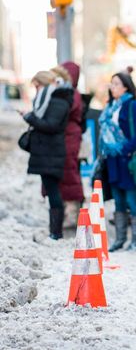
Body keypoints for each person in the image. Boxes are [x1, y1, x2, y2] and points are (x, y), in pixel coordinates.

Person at [100, 72, 136, 251]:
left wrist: (126, 150)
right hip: (112, 160)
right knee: (118, 200)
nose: (113, 88)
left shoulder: (133, 105)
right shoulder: (110, 106)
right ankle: (120, 239)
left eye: (116, 84)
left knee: (132, 198)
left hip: (127, 159)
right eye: (111, 84)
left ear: (126, 87)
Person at [21, 71, 72, 240]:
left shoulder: (58, 101)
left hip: (52, 152)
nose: (36, 90)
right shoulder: (50, 99)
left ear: (44, 84)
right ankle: (54, 230)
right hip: (47, 152)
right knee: (51, 190)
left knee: (53, 190)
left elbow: (51, 125)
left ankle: (56, 232)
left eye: (37, 86)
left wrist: (29, 118)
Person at [52, 63, 85, 228]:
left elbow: (64, 110)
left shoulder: (73, 95)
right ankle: (64, 211)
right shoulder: (65, 92)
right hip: (62, 136)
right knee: (60, 174)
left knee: (69, 172)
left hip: (70, 137)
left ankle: (73, 212)